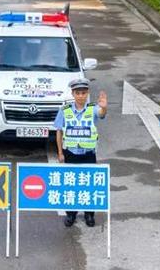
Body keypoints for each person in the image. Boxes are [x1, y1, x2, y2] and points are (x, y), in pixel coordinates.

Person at [54, 78, 107, 227]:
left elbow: (101, 113)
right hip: (70, 153)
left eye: (83, 93)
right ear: (73, 94)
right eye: (78, 93)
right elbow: (59, 131)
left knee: (88, 184)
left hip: (88, 153)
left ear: (87, 93)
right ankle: (71, 214)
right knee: (71, 184)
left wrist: (104, 107)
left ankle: (89, 215)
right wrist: (60, 152)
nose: (81, 96)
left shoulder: (92, 109)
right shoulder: (64, 111)